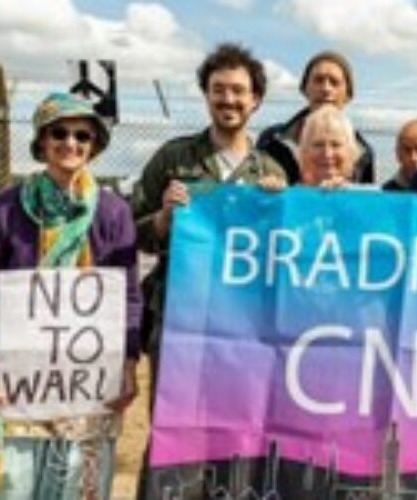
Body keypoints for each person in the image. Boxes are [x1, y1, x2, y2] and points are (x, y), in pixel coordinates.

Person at [0, 92, 140, 498]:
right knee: (14, 481)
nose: (71, 143)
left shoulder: (113, 213)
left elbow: (127, 294)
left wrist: (128, 362)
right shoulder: (7, 209)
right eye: (59, 132)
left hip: (87, 378)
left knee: (79, 484)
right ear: (42, 141)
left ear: (93, 146)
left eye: (83, 135)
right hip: (19, 378)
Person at [130, 42, 284, 499]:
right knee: (172, 431)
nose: (229, 100)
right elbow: (130, 231)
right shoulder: (173, 158)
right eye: (219, 90)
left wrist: (283, 210)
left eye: (239, 91)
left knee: (235, 433)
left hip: (245, 331)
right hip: (180, 322)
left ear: (256, 99)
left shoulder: (271, 172)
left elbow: (286, 258)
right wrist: (160, 221)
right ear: (206, 95)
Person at [257, 50, 375, 185]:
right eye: (318, 80)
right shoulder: (272, 141)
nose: (326, 89)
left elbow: (364, 202)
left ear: (348, 94)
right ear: (304, 89)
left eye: (334, 82)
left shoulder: (364, 153)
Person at [298, 104, 362, 187]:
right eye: (318, 145)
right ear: (304, 152)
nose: (327, 154)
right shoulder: (282, 196)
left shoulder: (368, 197)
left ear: (351, 154)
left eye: (336, 145)